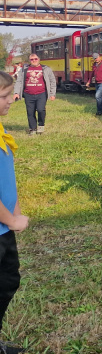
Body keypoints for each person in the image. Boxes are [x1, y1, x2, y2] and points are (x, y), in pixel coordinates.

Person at [0, 71, 29, 354]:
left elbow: (6, 178)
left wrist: (15, 214)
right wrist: (11, 219)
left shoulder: (0, 131)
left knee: (9, 280)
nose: (12, 100)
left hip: (4, 228)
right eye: (5, 96)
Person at [13, 53, 56, 135]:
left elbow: (52, 81)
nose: (34, 61)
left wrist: (52, 94)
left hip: (41, 94)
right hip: (28, 94)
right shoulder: (24, 69)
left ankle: (41, 126)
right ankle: (32, 129)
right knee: (30, 112)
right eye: (32, 59)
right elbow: (19, 82)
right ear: (29, 61)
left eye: (35, 59)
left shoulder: (46, 69)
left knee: (41, 110)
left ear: (39, 59)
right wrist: (16, 93)